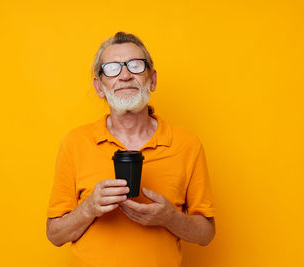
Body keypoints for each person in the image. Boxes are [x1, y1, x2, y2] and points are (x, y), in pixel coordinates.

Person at [46, 32, 216, 267]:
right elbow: (55, 235)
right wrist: (89, 208)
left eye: (136, 66)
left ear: (152, 80)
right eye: (113, 68)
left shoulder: (187, 144)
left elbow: (206, 234)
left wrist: (170, 218)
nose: (125, 75)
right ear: (99, 86)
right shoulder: (75, 142)